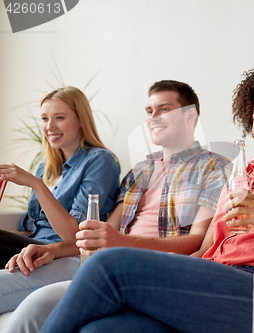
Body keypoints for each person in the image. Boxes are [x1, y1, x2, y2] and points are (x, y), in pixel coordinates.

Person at [37, 62, 254, 333]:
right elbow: (206, 248)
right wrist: (170, 269)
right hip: (212, 277)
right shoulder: (240, 177)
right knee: (103, 330)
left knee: (107, 266)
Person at [0, 80, 229, 318]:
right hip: (100, 259)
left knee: (36, 306)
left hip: (139, 266)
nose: (153, 117)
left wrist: (121, 241)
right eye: (149, 111)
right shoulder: (141, 169)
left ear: (189, 115)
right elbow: (104, 234)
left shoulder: (215, 167)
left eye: (164, 109)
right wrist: (55, 249)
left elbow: (198, 240)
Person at [0, 86, 120, 264]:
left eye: (60, 118)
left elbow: (75, 235)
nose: (49, 127)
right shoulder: (45, 167)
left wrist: (37, 185)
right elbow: (30, 225)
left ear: (81, 120)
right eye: (44, 118)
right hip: (35, 246)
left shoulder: (100, 160)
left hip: (63, 253)